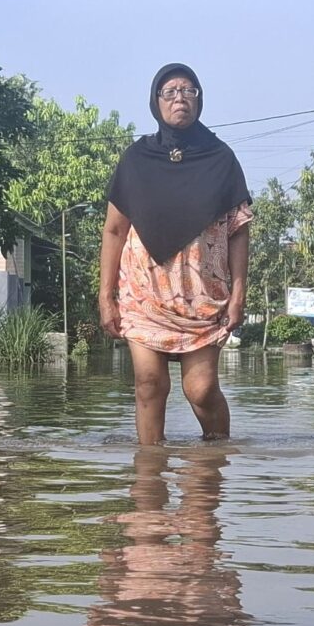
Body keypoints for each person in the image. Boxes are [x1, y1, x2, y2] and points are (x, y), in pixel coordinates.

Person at [99, 63, 252, 444]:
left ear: (200, 100)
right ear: (156, 102)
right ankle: (149, 481)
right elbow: (114, 230)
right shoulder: (136, 159)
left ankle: (215, 461)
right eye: (170, 92)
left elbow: (238, 230)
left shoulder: (221, 159)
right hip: (143, 292)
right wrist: (106, 297)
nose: (179, 98)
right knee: (149, 385)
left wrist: (238, 294)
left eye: (188, 91)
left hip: (203, 296)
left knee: (200, 390)